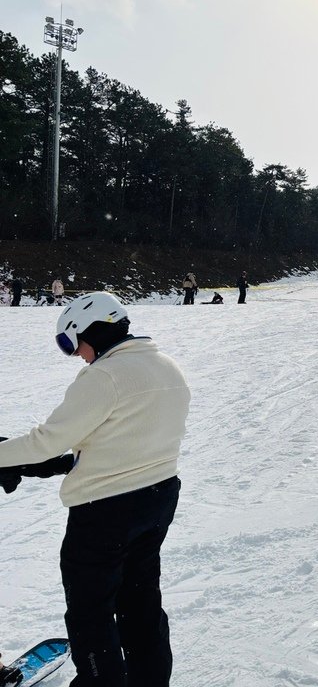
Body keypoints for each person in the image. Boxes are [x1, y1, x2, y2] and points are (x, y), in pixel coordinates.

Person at [0, 291, 190, 685]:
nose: (77, 356)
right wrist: (71, 462)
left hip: (104, 515)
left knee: (91, 613)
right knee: (140, 603)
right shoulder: (166, 366)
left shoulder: (104, 375)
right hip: (157, 499)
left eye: (72, 344)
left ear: (91, 331)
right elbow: (130, 437)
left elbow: (45, 440)